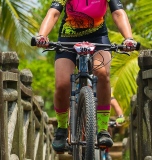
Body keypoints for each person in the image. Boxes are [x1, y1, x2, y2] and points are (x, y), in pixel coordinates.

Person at [34, 0, 137, 153]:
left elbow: (118, 12)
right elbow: (54, 12)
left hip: (98, 37)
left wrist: (128, 38)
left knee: (102, 73)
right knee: (62, 84)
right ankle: (62, 129)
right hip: (68, 38)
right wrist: (42, 36)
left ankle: (102, 129)